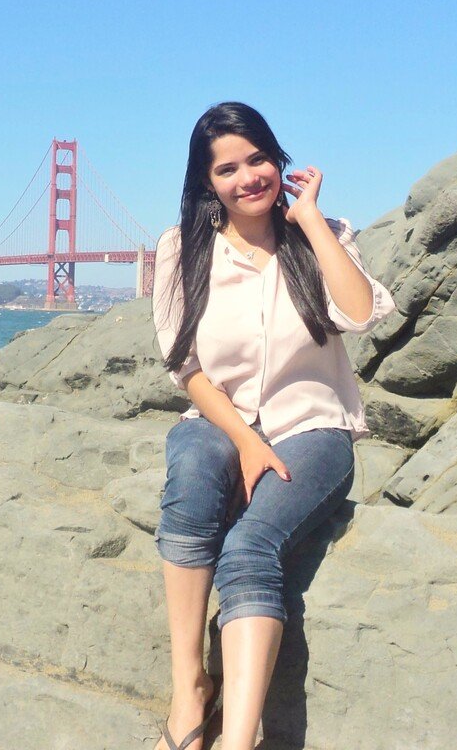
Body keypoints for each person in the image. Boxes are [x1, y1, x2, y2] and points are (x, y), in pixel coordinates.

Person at [150, 102, 397, 750]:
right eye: (227, 169)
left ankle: (238, 742)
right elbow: (185, 366)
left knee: (249, 547)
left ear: (277, 158)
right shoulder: (182, 247)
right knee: (191, 481)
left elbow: (362, 313)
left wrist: (310, 219)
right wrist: (245, 442)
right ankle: (189, 688)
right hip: (220, 419)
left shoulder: (324, 233)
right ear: (208, 182)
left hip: (314, 428)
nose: (248, 177)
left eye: (257, 159)